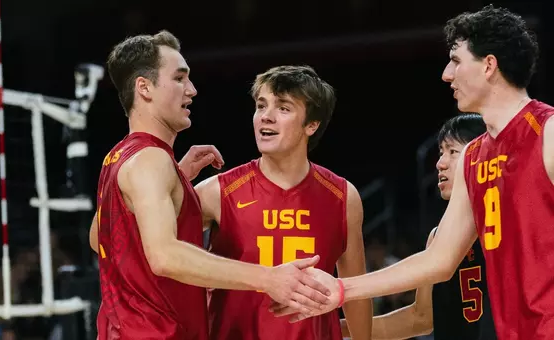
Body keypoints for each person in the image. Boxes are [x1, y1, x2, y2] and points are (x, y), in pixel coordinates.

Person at [272, 6, 554, 339]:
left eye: (456, 60)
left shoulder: (547, 132)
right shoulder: (474, 158)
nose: (447, 74)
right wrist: (341, 288)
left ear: (489, 65)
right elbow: (438, 260)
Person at [88, 31, 333, 340]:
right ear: (144, 88)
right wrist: (269, 277)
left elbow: (99, 236)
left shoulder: (120, 156)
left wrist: (176, 179)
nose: (191, 90)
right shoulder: (151, 162)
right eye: (179, 79)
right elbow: (165, 256)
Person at [194, 65, 372, 340]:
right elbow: (155, 251)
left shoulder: (343, 197)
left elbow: (354, 292)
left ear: (312, 124)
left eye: (283, 108)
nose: (266, 117)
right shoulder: (216, 192)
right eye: (261, 105)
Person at [339, 114, 497, 340]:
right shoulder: (438, 236)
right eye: (441, 152)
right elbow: (420, 318)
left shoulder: (512, 219)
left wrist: (342, 289)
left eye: (453, 152)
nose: (440, 163)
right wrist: (338, 328)